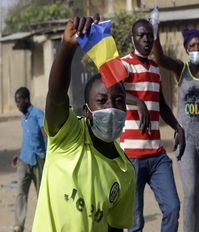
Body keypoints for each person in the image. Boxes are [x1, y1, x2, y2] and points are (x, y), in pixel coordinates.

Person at [32, 16, 136, 231]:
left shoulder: (125, 170)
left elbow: (115, 226)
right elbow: (56, 96)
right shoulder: (69, 136)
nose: (111, 107)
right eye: (102, 101)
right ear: (87, 111)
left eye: (119, 101)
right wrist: (67, 47)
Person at [119, 19, 185, 232]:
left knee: (173, 208)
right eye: (141, 35)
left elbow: (162, 104)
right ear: (133, 39)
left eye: (149, 35)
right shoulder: (125, 64)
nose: (146, 39)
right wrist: (137, 102)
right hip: (131, 157)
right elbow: (114, 92)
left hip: (156, 155)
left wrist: (178, 127)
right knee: (135, 222)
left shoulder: (156, 69)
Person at [152, 27, 199, 232]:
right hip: (185, 139)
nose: (196, 48)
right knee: (190, 191)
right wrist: (155, 32)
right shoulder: (181, 69)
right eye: (192, 46)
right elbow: (161, 58)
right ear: (186, 49)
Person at [12, 87, 46, 232]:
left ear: (26, 99)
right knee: (20, 192)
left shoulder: (38, 114)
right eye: (16, 102)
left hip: (39, 160)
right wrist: (18, 154)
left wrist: (50, 156)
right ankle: (18, 225)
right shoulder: (23, 118)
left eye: (19, 101)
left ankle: (43, 225)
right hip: (24, 161)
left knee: (42, 194)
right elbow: (27, 138)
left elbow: (46, 135)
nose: (17, 105)